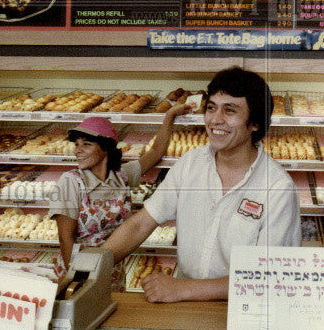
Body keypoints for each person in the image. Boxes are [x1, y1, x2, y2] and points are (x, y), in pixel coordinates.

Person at [102, 66, 301, 302]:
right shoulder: (190, 164)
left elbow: (269, 273)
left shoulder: (277, 188)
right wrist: (91, 265)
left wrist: (182, 290)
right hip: (187, 310)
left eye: (230, 110)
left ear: (255, 123)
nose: (215, 120)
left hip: (243, 313)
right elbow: (140, 225)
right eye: (211, 108)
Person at [49, 105, 187, 278]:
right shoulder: (70, 182)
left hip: (112, 269)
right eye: (76, 145)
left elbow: (156, 151)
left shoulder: (122, 176)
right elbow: (65, 238)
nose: (78, 150)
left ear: (105, 147)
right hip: (78, 269)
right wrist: (78, 278)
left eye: (86, 144)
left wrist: (169, 116)